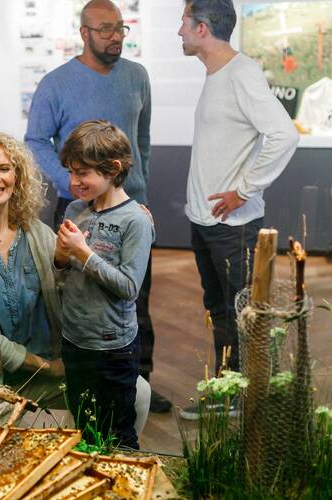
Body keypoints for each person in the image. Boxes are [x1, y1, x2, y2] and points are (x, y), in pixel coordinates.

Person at [0, 131, 150, 434]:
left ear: (18, 177)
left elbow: (73, 284)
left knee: (139, 393)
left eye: (4, 168)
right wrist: (46, 366)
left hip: (56, 370)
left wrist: (134, 216)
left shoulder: (37, 233)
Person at [26, 0, 171, 413]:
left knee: (135, 298)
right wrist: (73, 188)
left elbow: (141, 142)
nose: (115, 37)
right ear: (84, 33)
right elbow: (35, 141)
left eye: (121, 29)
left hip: (130, 207)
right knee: (76, 292)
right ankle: (77, 374)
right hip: (78, 208)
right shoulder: (55, 83)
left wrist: (137, 192)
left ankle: (138, 382)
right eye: (105, 29)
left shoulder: (137, 76)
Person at [176, 0, 299, 419]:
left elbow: (284, 135)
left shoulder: (241, 73)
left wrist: (244, 189)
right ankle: (232, 396)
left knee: (245, 316)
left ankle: (258, 405)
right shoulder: (218, 74)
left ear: (203, 28)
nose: (180, 32)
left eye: (184, 24)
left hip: (233, 226)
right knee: (224, 312)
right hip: (208, 221)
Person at [54, 120, 154, 450]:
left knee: (118, 433)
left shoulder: (135, 221)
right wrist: (60, 256)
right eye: (70, 172)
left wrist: (83, 254)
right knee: (83, 427)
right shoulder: (74, 209)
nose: (73, 182)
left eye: (82, 173)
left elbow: (128, 288)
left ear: (113, 169)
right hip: (75, 340)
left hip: (113, 349)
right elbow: (62, 273)